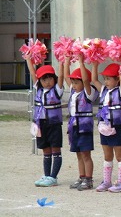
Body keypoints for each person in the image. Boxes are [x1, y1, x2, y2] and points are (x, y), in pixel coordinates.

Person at [26, 58, 64, 187]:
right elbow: (32, 73)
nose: (47, 82)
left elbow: (62, 76)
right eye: (44, 79)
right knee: (45, 150)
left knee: (55, 150)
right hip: (40, 124)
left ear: (54, 78)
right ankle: (47, 175)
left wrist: (63, 62)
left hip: (53, 124)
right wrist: (28, 60)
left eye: (50, 78)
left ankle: (53, 177)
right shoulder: (39, 89)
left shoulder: (57, 90)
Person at [64, 55, 99, 191]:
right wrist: (66, 61)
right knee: (78, 153)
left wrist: (81, 62)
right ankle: (82, 176)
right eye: (73, 83)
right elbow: (67, 77)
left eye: (76, 82)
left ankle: (88, 179)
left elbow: (85, 80)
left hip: (84, 127)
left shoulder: (89, 93)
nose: (73, 85)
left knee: (85, 154)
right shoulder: (73, 92)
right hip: (73, 126)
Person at [92, 62, 121, 193]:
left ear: (117, 79)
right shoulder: (103, 90)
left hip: (116, 126)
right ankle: (107, 181)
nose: (106, 81)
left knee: (119, 155)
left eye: (109, 78)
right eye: (105, 78)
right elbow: (94, 80)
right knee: (107, 156)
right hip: (104, 126)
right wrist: (95, 64)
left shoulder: (120, 90)